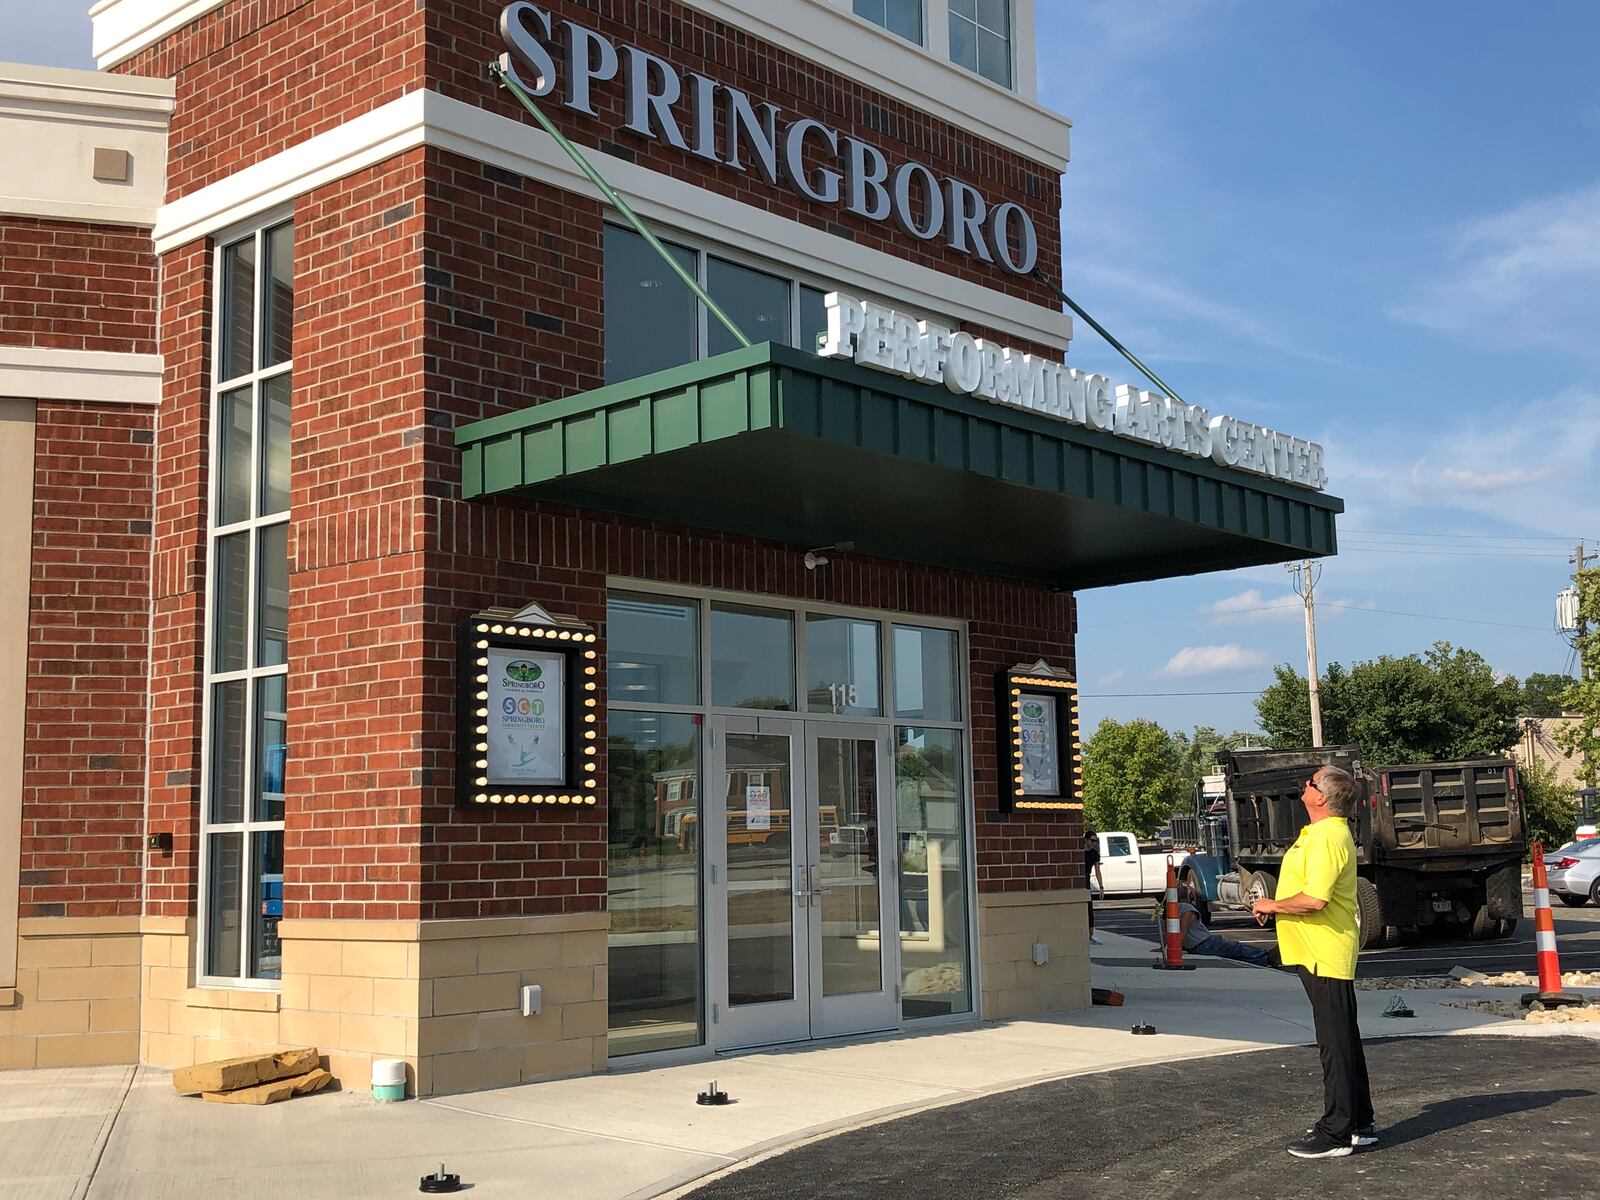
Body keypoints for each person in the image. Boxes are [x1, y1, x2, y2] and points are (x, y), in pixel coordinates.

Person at [1251, 765, 1375, 1160]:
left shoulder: (1328, 838)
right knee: (1344, 1038)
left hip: (1324, 952)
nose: (1304, 786)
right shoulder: (1323, 834)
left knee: (1333, 1044)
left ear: (1320, 797)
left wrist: (1271, 904)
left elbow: (1314, 900)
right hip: (1317, 950)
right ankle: (1358, 1122)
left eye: (1310, 782)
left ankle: (1335, 1132)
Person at [1153, 885, 1274, 965]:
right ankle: (1265, 956)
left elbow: (1169, 932)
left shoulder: (1170, 911)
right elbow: (1182, 932)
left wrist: (1163, 948)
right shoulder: (1188, 909)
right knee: (1235, 949)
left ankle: (1262, 959)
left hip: (1197, 946)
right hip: (1205, 942)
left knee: (1232, 954)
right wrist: (1176, 951)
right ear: (1189, 897)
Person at [1083, 830, 1103, 945]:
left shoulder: (1094, 854)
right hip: (1079, 878)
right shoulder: (1079, 851)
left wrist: (1101, 887)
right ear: (1086, 840)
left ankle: (1091, 934)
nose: (1094, 843)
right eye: (1092, 840)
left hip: (1087, 878)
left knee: (1089, 908)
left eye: (1095, 841)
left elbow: (1098, 871)